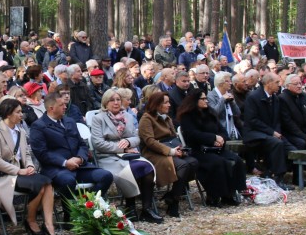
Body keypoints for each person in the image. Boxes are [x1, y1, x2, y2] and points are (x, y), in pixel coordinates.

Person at [0, 98, 59, 235]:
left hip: (22, 172)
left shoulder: (21, 131)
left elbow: (26, 153)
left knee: (48, 183)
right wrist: (18, 171)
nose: (21, 115)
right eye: (18, 112)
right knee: (40, 185)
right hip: (5, 175)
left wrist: (30, 165)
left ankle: (49, 224)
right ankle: (30, 220)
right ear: (8, 114)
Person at [90, 89, 162, 223]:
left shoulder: (127, 116)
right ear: (105, 102)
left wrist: (128, 142)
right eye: (112, 100)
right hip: (108, 157)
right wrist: (121, 148)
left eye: (118, 99)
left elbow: (136, 137)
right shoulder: (98, 118)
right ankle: (130, 207)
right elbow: (98, 143)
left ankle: (146, 209)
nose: (116, 102)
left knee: (147, 167)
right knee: (130, 170)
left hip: (129, 154)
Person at [28, 90, 114, 200]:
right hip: (57, 169)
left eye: (65, 104)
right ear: (51, 108)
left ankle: (88, 205)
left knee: (106, 176)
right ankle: (69, 210)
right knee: (68, 181)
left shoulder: (70, 121)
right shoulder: (38, 126)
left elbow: (82, 144)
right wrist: (65, 162)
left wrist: (80, 158)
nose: (65, 107)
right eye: (61, 105)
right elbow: (42, 153)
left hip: (79, 167)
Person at [178, 90, 246, 206]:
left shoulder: (210, 113)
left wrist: (221, 139)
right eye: (203, 99)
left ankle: (229, 194)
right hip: (199, 150)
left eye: (206, 98)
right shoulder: (187, 116)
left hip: (216, 148)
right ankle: (214, 196)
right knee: (218, 163)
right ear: (195, 101)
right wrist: (213, 138)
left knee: (237, 160)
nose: (206, 101)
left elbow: (222, 130)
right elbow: (192, 134)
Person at [137, 90, 198, 218]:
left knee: (193, 162)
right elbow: (150, 141)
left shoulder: (167, 118)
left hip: (170, 148)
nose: (169, 105)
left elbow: (173, 136)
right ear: (157, 104)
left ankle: (172, 195)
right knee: (182, 165)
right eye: (166, 102)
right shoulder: (146, 119)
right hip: (153, 153)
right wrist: (170, 151)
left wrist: (179, 149)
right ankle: (174, 202)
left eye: (169, 102)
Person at [242, 74, 295, 190]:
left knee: (291, 149)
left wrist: (277, 132)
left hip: (270, 134)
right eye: (276, 82)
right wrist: (272, 132)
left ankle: (271, 172)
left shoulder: (275, 98)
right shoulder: (253, 97)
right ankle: (278, 178)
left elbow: (277, 120)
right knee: (277, 143)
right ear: (268, 83)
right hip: (254, 133)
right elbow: (252, 120)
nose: (279, 85)